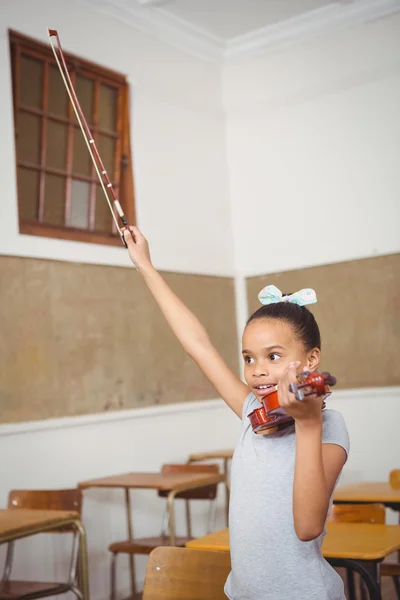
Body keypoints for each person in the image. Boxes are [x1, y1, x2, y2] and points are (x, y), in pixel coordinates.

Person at [123, 226, 349, 600]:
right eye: (248, 358)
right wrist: (145, 265)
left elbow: (308, 526)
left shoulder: (328, 426)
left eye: (273, 356)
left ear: (311, 359)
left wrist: (307, 424)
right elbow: (199, 345)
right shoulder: (253, 412)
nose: (257, 370)